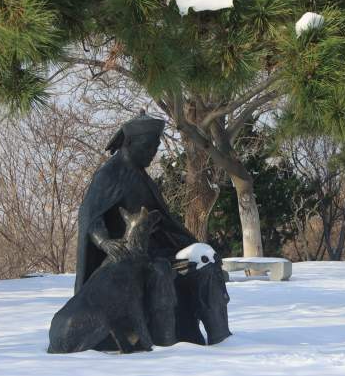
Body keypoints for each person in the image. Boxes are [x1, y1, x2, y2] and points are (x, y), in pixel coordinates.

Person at [74, 110, 230, 348]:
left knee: (206, 267)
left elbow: (164, 221)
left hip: (156, 248)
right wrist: (104, 242)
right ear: (130, 143)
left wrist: (191, 245)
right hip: (127, 258)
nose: (152, 154)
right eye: (148, 147)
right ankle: (166, 344)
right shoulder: (110, 174)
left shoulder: (141, 175)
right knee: (161, 272)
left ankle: (219, 340)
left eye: (155, 148)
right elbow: (90, 215)